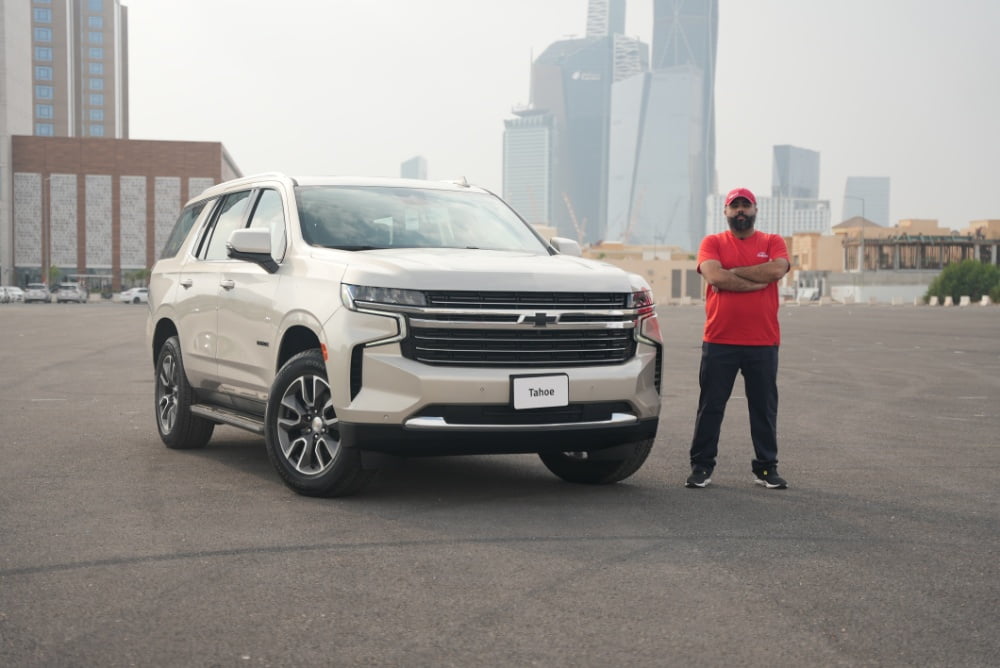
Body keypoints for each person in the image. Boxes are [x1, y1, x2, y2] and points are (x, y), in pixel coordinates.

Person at [686, 187, 791, 489]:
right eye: (735, 206)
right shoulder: (713, 242)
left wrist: (732, 272)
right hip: (720, 340)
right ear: (726, 212)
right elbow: (714, 276)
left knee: (763, 409)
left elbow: (778, 269)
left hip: (763, 342)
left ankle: (766, 468)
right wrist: (754, 281)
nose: (740, 210)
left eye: (746, 205)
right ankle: (701, 467)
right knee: (711, 407)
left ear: (755, 210)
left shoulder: (772, 241)